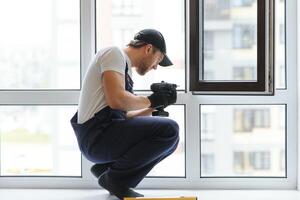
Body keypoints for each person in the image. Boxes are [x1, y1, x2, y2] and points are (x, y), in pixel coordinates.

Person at [70, 29, 179, 199]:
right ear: (148, 49)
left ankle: (107, 169)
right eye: (158, 59)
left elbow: (123, 115)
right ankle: (115, 179)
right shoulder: (113, 54)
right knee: (170, 129)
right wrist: (151, 100)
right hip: (96, 137)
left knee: (172, 139)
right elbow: (117, 100)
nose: (156, 67)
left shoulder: (125, 69)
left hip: (104, 134)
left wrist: (154, 106)